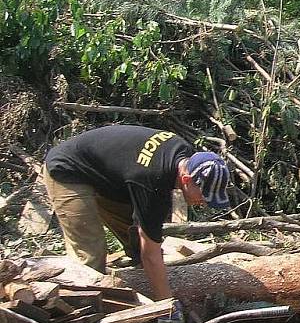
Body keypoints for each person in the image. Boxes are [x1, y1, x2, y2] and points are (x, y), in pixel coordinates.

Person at [42, 125, 231, 303]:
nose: (204, 202)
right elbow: (151, 254)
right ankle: (83, 314)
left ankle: (138, 277)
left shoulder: (185, 157)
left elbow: (147, 236)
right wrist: (167, 307)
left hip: (107, 178)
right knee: (90, 253)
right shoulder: (152, 179)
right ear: (186, 179)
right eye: (204, 195)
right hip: (68, 170)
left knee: (136, 233)